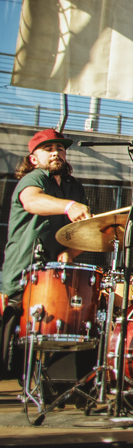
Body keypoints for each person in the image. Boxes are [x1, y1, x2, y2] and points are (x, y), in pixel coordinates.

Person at [2, 130, 93, 373]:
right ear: (33, 158)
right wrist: (69, 206)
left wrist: (70, 254)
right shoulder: (34, 178)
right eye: (48, 149)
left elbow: (85, 233)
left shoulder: (75, 186)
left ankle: (58, 384)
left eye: (60, 149)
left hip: (56, 277)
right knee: (8, 355)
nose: (56, 153)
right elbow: (32, 201)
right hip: (23, 274)